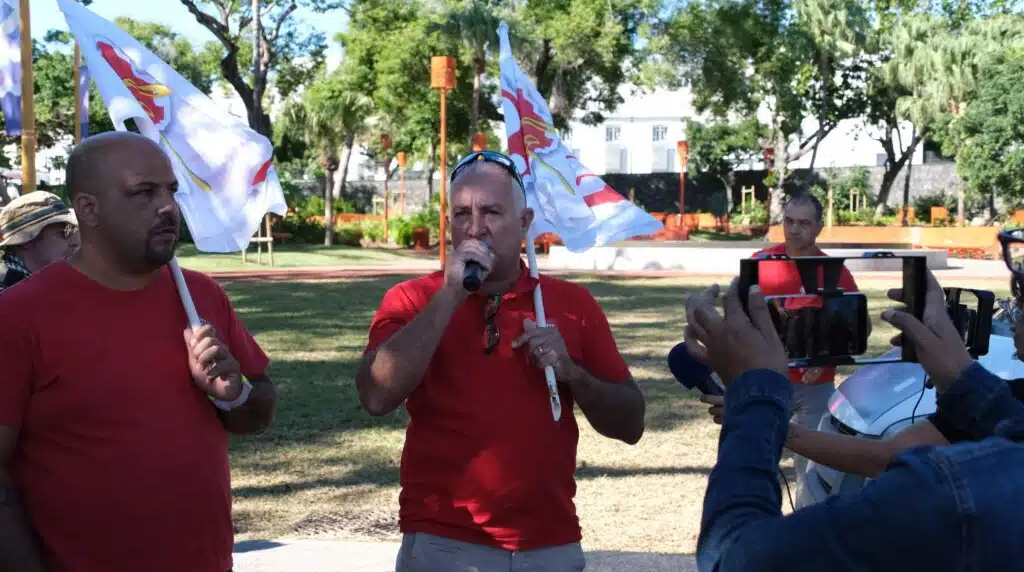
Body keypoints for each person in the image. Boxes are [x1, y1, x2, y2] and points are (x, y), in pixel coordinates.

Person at [0, 131, 277, 572]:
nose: (167, 207)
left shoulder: (199, 295)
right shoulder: (19, 315)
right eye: (143, 192)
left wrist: (234, 394)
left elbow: (259, 413)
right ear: (88, 209)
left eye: (170, 190)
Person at [357, 150, 645, 572]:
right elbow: (376, 396)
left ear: (525, 223)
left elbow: (631, 423)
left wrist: (572, 374)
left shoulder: (571, 305)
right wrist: (451, 295)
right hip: (445, 541)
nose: (475, 227)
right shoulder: (412, 299)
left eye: (491, 212)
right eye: (461, 214)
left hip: (549, 543)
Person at [685, 271, 1024, 571]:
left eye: (1020, 300)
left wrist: (755, 399)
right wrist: (960, 377)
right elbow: (1004, 419)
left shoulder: (945, 491)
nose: (1012, 318)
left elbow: (734, 557)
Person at [700, 272, 1024, 479]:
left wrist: (756, 414)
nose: (1011, 315)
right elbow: (884, 457)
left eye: (1019, 305)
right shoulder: (1007, 401)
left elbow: (740, 550)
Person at [750, 191, 863, 505]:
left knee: (814, 474)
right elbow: (740, 319)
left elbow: (854, 326)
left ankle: (807, 536)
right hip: (767, 382)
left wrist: (827, 354)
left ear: (818, 227)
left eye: (803, 222)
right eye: (789, 221)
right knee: (759, 463)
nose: (795, 229)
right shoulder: (760, 263)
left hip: (816, 387)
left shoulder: (834, 271)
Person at [0, 190, 81, 291]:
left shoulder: (47, 285)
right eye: (64, 232)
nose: (75, 243)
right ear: (27, 240)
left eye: (73, 230)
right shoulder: (6, 295)